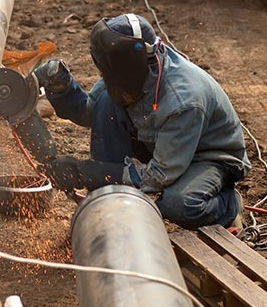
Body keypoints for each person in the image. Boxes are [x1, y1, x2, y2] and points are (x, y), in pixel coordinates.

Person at [33, 14, 251, 230]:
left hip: (208, 157)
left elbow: (159, 175)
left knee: (180, 205)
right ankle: (108, 202)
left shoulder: (184, 101)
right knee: (108, 104)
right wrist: (61, 87)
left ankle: (229, 205)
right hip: (164, 144)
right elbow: (90, 113)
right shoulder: (128, 70)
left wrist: (86, 172)